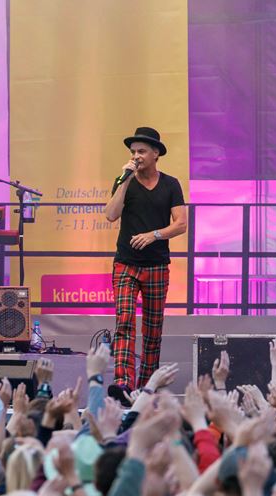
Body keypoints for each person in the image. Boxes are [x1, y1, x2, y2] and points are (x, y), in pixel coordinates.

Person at [103, 127, 187, 404]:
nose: (136, 156)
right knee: (124, 321)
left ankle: (147, 385)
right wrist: (124, 179)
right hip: (126, 262)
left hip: (156, 265)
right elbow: (110, 215)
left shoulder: (170, 184)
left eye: (141, 151)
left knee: (153, 328)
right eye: (133, 152)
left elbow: (181, 224)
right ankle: (123, 382)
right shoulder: (124, 179)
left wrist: (154, 235)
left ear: (155, 154)